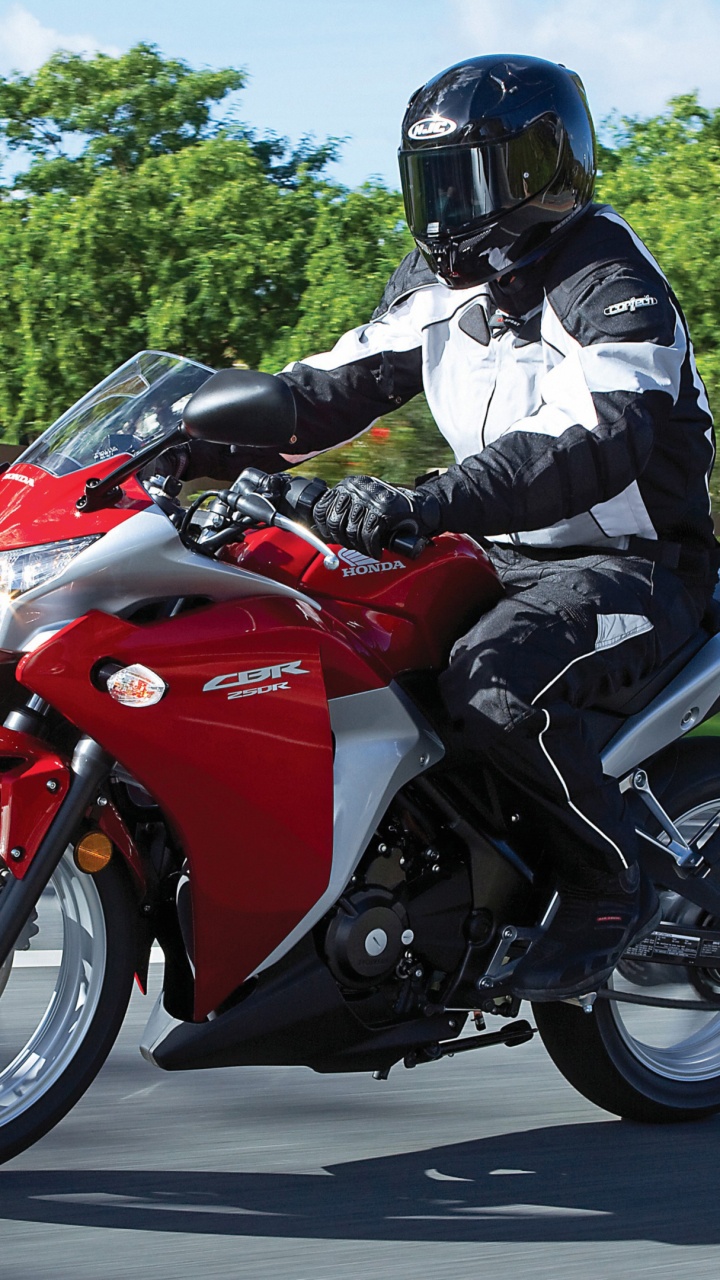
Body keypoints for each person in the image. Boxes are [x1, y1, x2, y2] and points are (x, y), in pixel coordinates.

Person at [173, 55, 719, 1001]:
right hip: (492, 554)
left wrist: (421, 502)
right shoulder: (434, 282)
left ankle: (606, 882)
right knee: (338, 634)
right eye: (430, 181)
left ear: (545, 169)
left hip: (631, 571)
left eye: (469, 180)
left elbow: (587, 444)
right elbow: (325, 390)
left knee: (493, 686)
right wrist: (181, 443)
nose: (444, 209)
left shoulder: (611, 280)